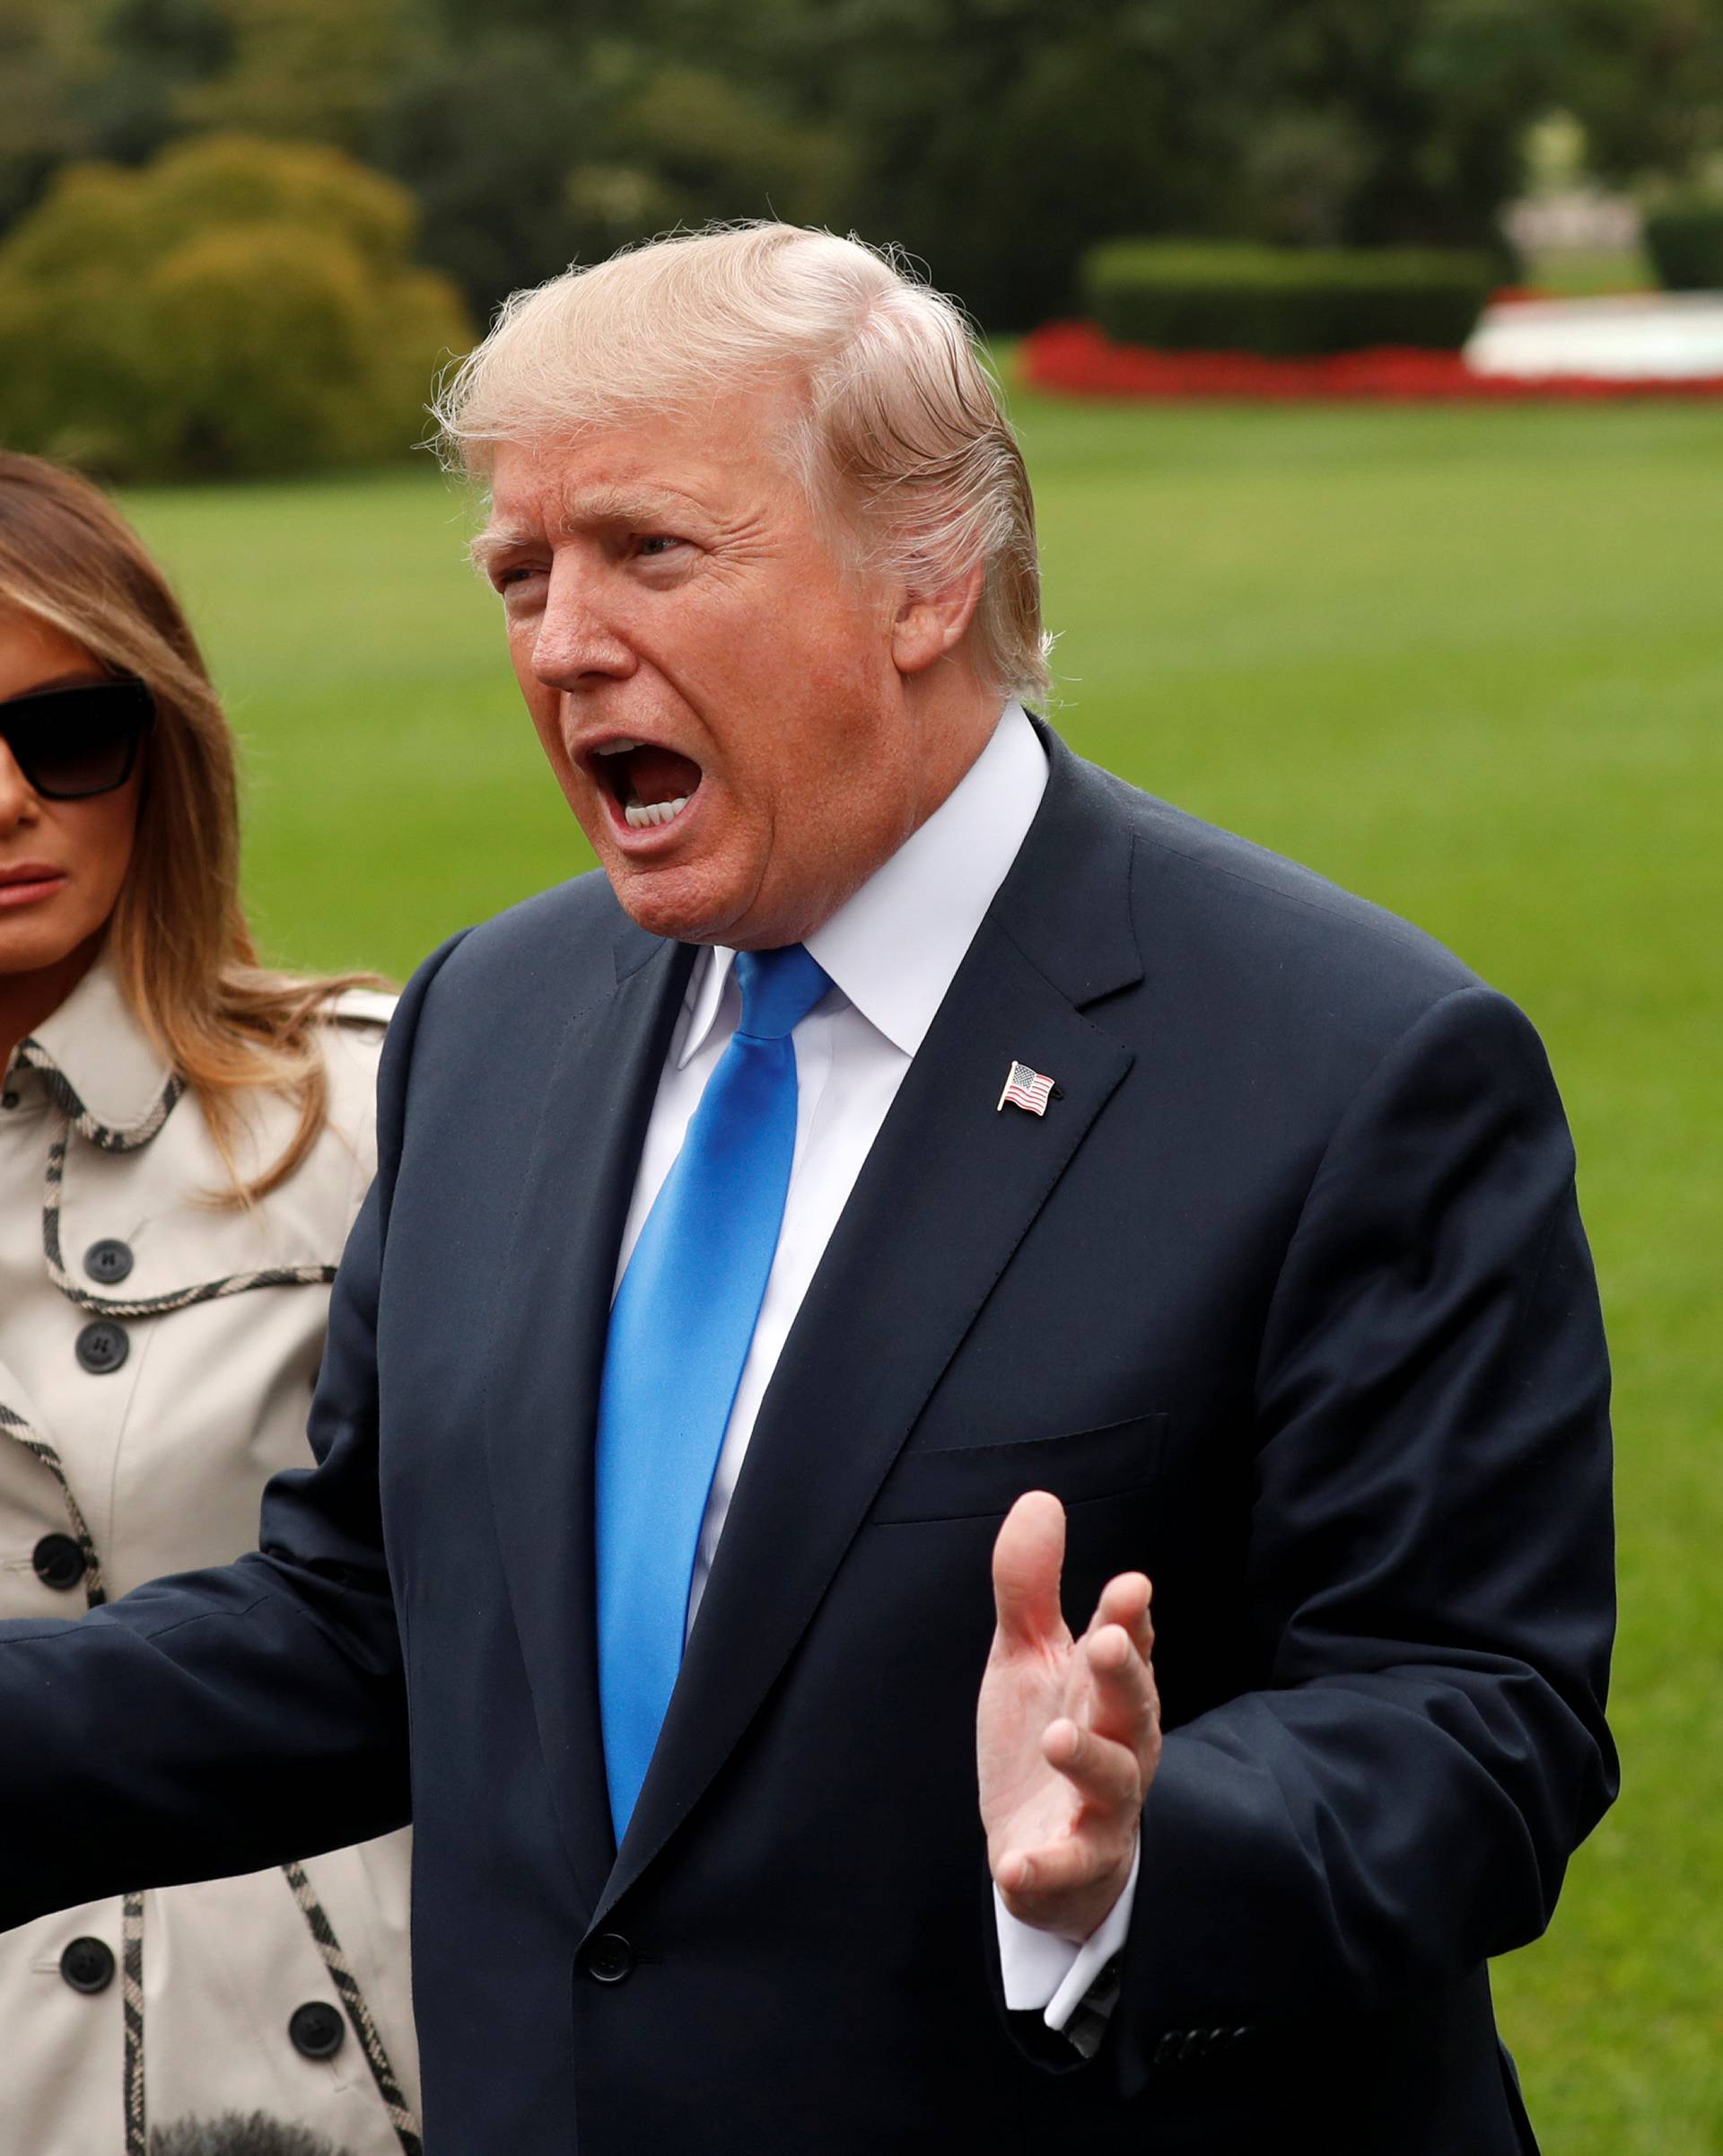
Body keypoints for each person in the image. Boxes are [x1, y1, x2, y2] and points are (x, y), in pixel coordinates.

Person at [0, 229, 1614, 2154]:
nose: (563, 639)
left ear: (926, 576)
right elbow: (366, 1630)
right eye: (522, 574)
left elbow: (1477, 1710)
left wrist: (1137, 1839)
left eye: (649, 551)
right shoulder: (493, 1018)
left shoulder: (1353, 1061)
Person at [0, 455, 418, 2156]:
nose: (9, 799)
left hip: (332, 2062)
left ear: (160, 749)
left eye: (68, 733)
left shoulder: (381, 1106)